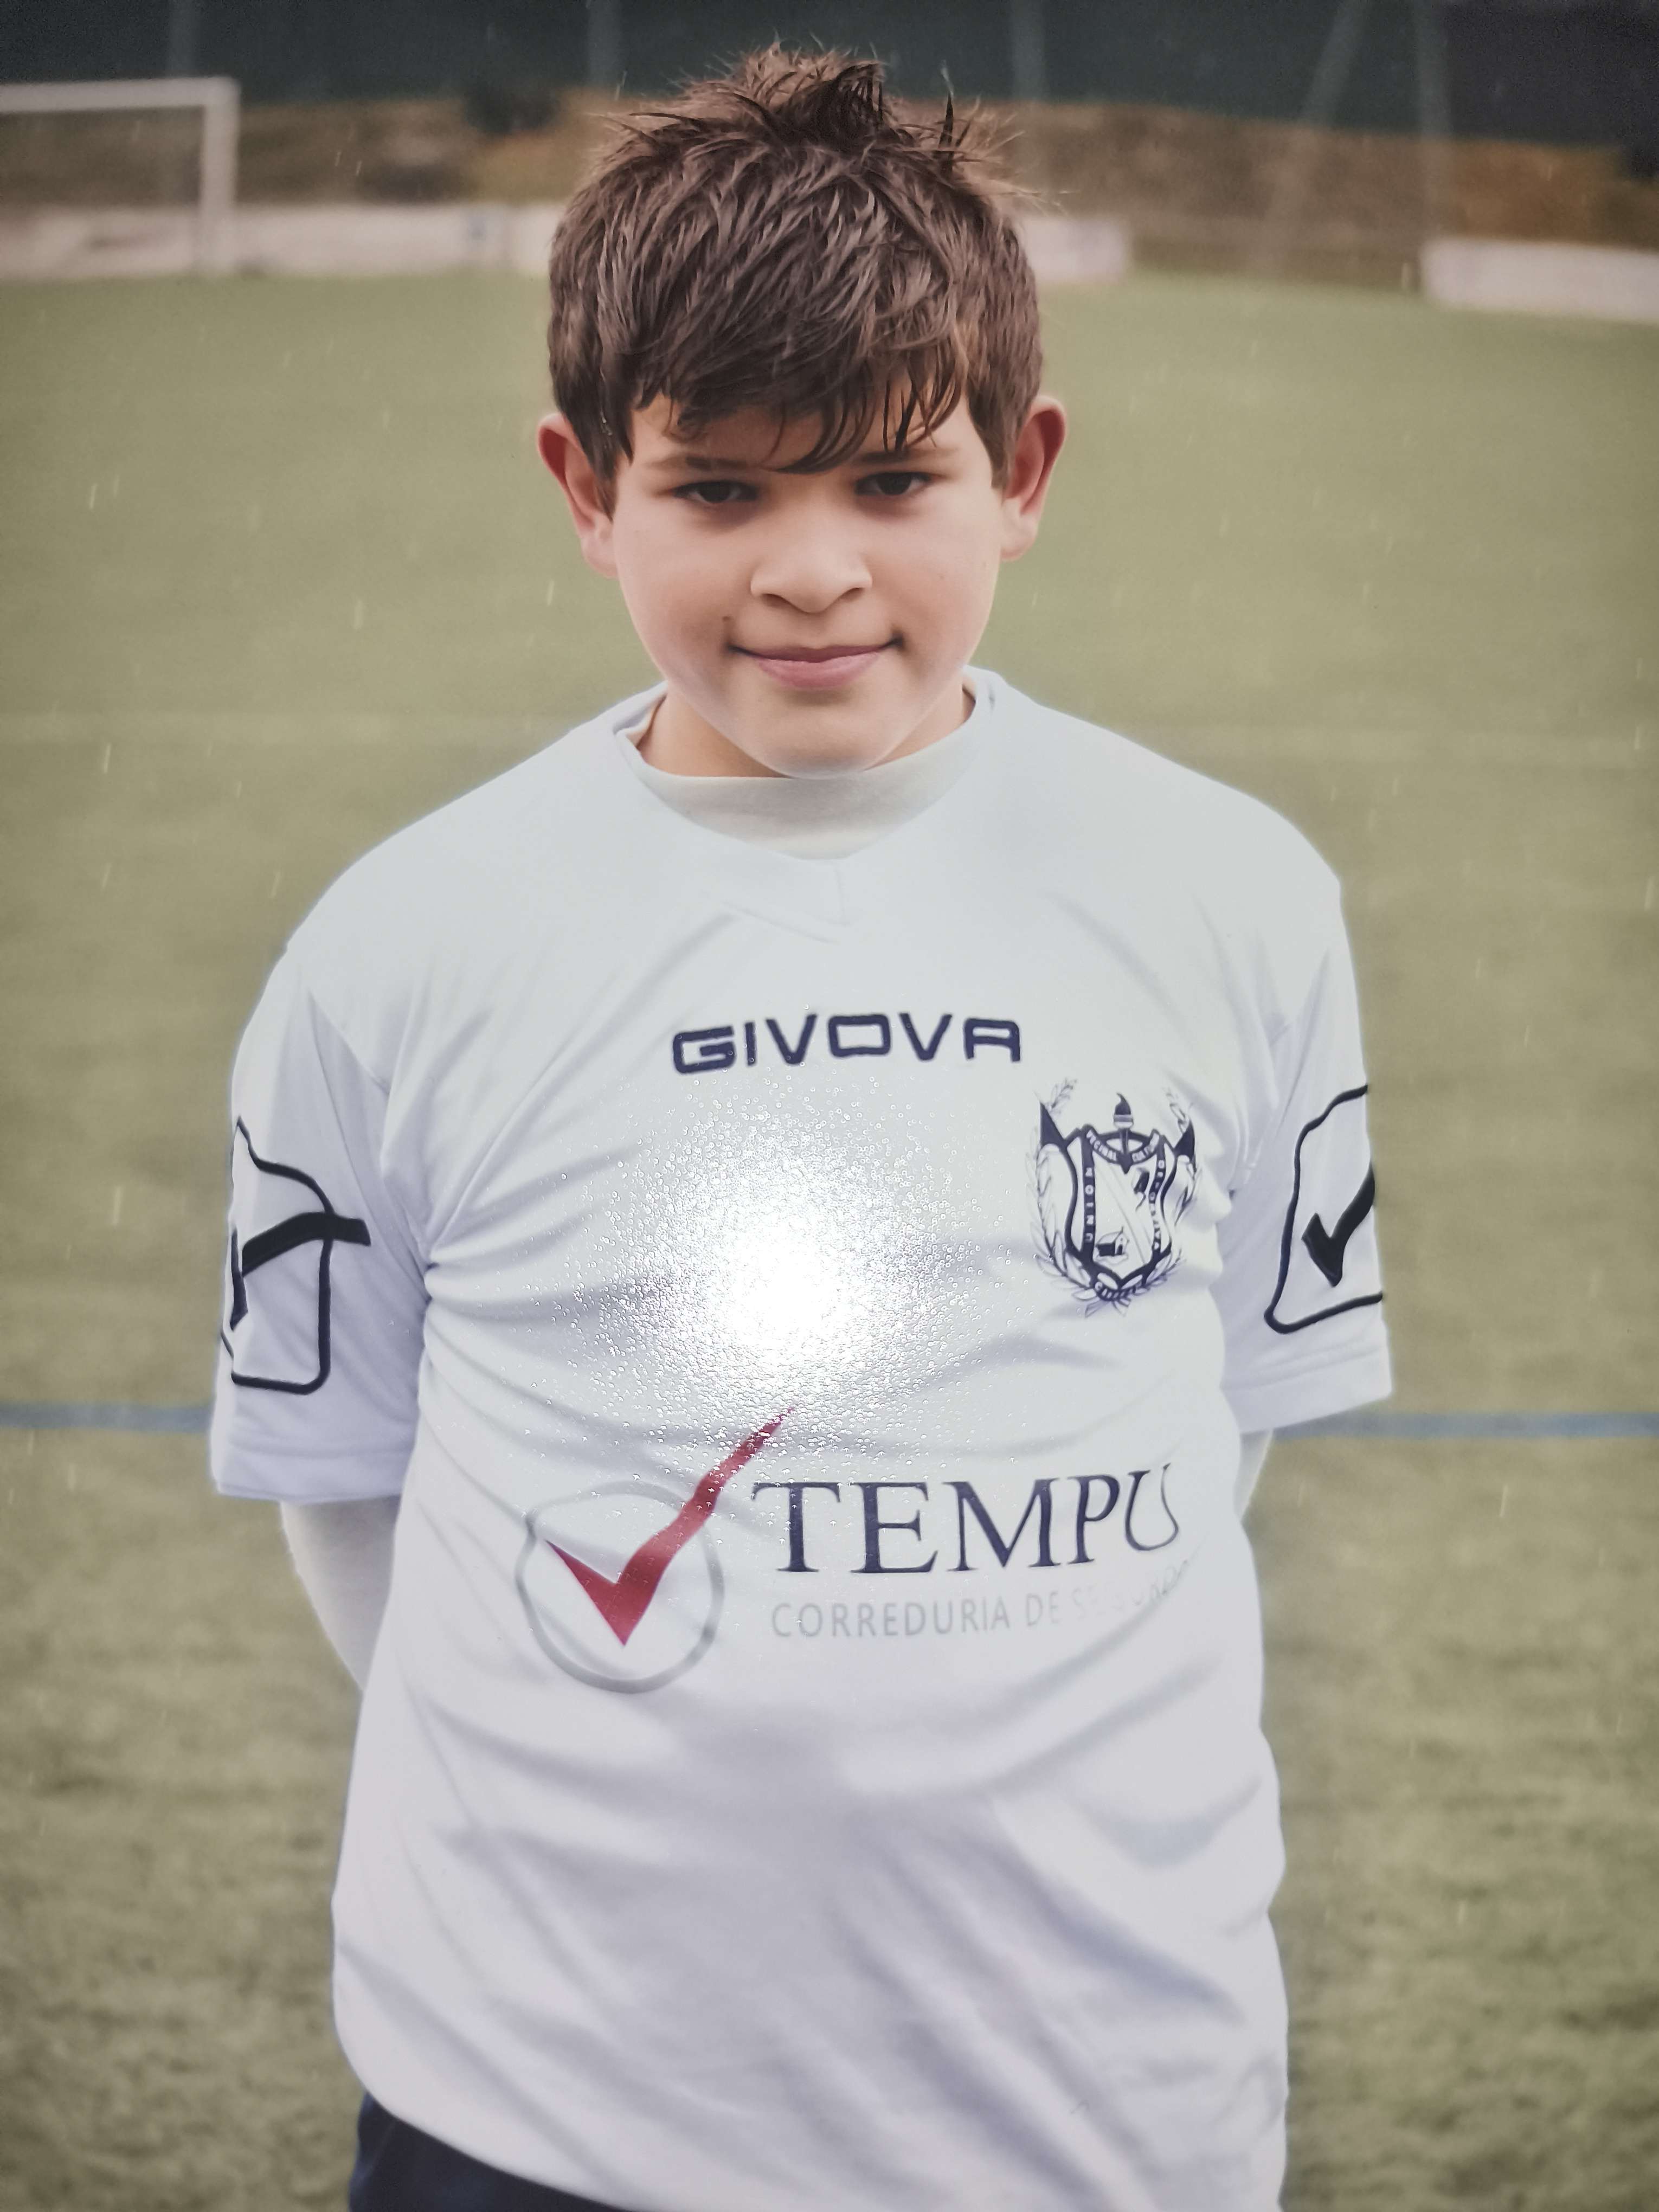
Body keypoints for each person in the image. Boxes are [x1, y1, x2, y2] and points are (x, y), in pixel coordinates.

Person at [210, 47, 1389, 2212]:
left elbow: (1213, 1420)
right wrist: (636, 1740)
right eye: (723, 493)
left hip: (1101, 2099)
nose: (815, 572)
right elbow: (350, 1489)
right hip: (545, 2101)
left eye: (888, 478)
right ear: (589, 489)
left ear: (1022, 470)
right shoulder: (405, 948)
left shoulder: (1230, 899)